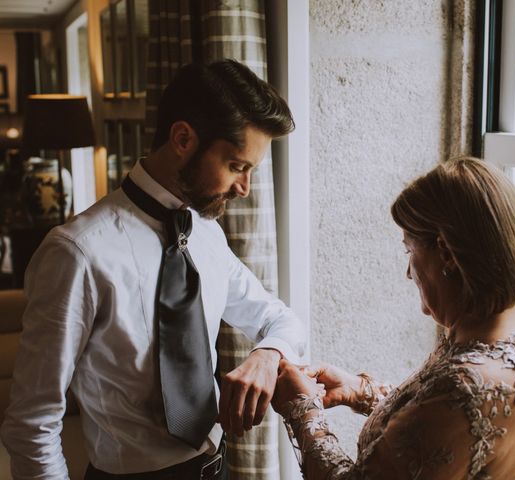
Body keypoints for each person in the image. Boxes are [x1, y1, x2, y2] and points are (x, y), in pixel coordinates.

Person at [0, 60, 307, 480]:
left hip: (218, 468)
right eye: (237, 166)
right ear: (183, 138)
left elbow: (279, 318)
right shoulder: (76, 252)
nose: (244, 188)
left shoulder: (206, 234)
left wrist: (267, 354)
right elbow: (32, 423)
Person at [272, 157, 515, 480]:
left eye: (409, 251)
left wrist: (303, 410)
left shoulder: (465, 385)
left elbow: (455, 409)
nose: (408, 273)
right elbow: (452, 433)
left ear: (446, 254)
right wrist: (360, 391)